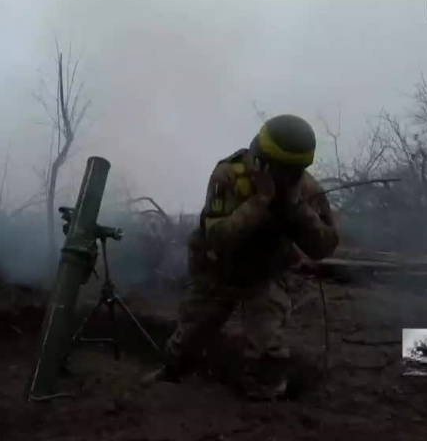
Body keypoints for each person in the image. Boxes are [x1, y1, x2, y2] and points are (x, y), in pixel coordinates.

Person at [141, 114, 339, 399]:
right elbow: (217, 237)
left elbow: (324, 246)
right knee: (192, 332)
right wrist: (260, 202)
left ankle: (264, 392)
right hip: (218, 269)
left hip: (265, 273)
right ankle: (172, 372)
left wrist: (296, 207)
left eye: (291, 172)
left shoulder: (306, 189)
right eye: (278, 169)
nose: (284, 177)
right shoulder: (229, 175)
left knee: (267, 339)